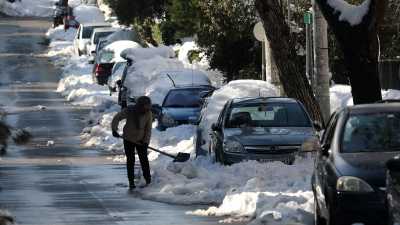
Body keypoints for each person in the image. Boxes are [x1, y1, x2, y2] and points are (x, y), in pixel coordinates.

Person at [111, 96, 152, 189]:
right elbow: (117, 117)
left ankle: (148, 180)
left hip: (141, 140)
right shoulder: (130, 110)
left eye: (148, 106)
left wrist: (146, 142)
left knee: (144, 160)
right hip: (128, 139)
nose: (146, 108)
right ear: (140, 106)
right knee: (130, 160)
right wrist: (114, 129)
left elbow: (148, 129)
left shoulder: (148, 113)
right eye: (145, 106)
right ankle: (131, 181)